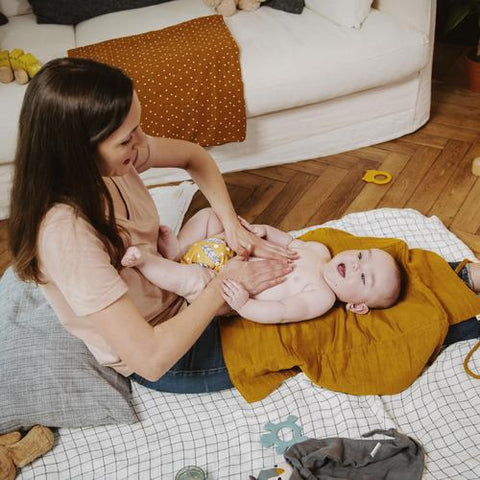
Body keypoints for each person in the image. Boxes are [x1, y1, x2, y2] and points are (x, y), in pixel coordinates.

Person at [8, 57, 295, 394]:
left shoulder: (109, 163)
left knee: (314, 265)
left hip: (178, 289)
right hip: (173, 349)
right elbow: (151, 359)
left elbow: (193, 156)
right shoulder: (65, 235)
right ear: (78, 151)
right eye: (127, 139)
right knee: (318, 320)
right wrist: (223, 286)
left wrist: (233, 225)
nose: (142, 143)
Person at [120, 214, 403, 323]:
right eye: (362, 256)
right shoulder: (319, 250)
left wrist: (244, 305)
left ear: (356, 306)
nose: (355, 264)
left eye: (364, 277)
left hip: (221, 287)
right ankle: (179, 250)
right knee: (210, 217)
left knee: (194, 279)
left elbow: (281, 312)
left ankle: (147, 262)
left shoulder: (322, 296)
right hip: (226, 251)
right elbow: (288, 240)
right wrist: (263, 229)